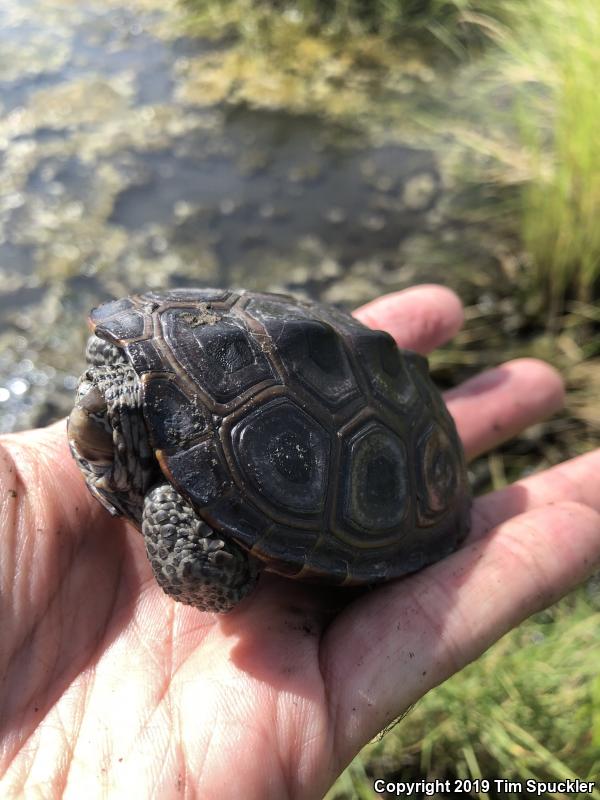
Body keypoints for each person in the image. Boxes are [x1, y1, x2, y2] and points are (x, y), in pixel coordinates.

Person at [0, 284, 598, 799]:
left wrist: (206, 563)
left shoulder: (164, 499)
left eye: (106, 418)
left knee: (179, 537)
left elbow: (210, 569)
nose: (88, 406)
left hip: (398, 466)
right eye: (103, 409)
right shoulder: (121, 359)